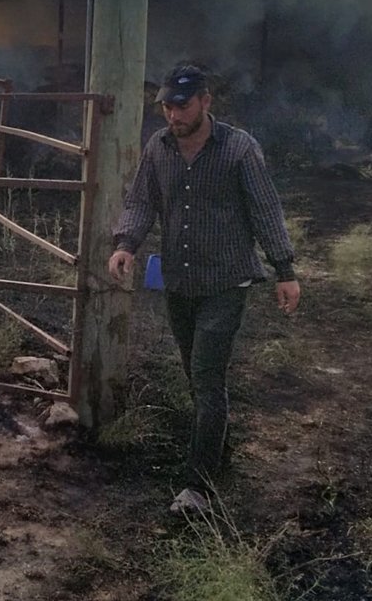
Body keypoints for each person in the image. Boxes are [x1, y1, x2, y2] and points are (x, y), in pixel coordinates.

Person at [107, 63, 300, 514]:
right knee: (195, 375)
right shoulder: (158, 148)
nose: (173, 115)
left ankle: (198, 488)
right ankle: (217, 453)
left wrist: (284, 269)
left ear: (205, 102)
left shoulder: (238, 148)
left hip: (226, 281)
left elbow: (265, 209)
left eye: (182, 106)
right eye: (167, 107)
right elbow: (142, 200)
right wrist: (126, 244)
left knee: (207, 375)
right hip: (180, 279)